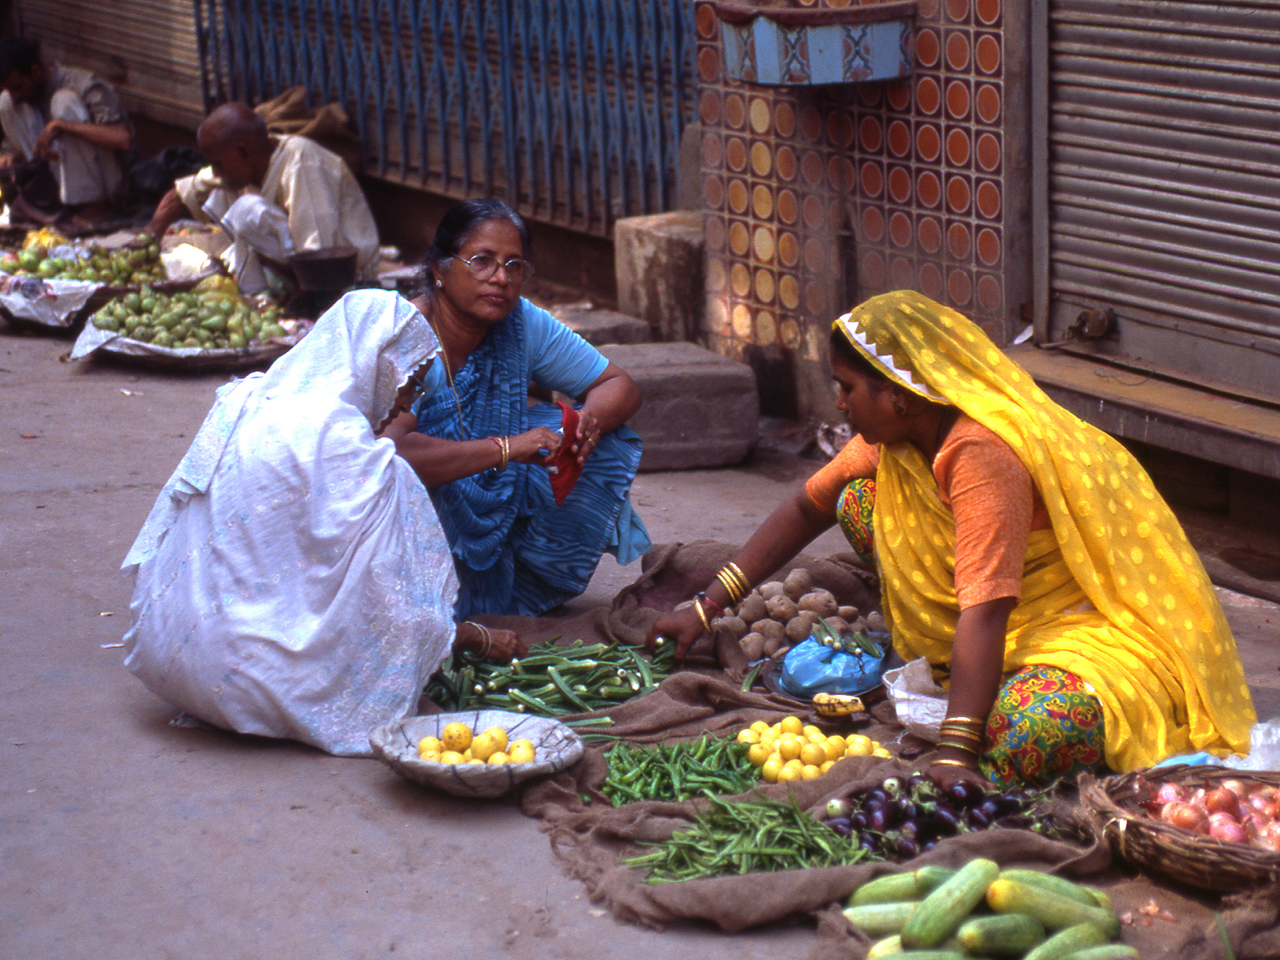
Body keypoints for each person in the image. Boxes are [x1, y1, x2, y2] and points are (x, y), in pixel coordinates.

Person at [648, 290, 1256, 790]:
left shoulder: (981, 455)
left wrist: (957, 750)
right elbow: (806, 508)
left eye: (848, 388)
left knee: (1027, 736)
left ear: (903, 396)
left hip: (1067, 625)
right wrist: (706, 608)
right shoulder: (901, 435)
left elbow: (987, 611)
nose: (838, 402)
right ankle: (961, 671)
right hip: (984, 604)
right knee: (859, 502)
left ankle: (1001, 702)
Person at [121, 288, 526, 757]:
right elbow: (391, 604)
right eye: (410, 382)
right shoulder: (347, 445)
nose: (406, 403)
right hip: (250, 683)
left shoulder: (249, 397)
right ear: (374, 362)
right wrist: (470, 637)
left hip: (175, 661)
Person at [380, 198, 652, 619]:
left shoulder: (519, 324)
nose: (500, 278)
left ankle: (524, 584)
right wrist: (507, 448)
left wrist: (584, 426)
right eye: (482, 261)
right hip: (404, 502)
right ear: (439, 269)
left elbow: (619, 386)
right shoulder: (409, 337)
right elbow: (387, 455)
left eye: (514, 265)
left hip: (485, 476)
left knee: (602, 440)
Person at [144, 101, 380, 295]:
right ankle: (258, 291)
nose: (215, 172)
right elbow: (182, 192)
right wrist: (150, 236)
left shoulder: (301, 161)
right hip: (297, 263)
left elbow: (318, 252)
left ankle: (289, 296)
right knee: (218, 194)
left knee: (246, 210)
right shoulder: (243, 164)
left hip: (342, 275)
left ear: (245, 152)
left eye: (218, 164)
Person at [0, 36, 134, 222]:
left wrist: (62, 125)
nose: (15, 95)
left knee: (63, 101)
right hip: (58, 185)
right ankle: (45, 198)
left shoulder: (82, 84)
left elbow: (122, 139)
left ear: (35, 71)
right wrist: (14, 154)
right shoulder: (25, 95)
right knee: (5, 103)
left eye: (17, 87)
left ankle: (90, 206)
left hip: (111, 184)